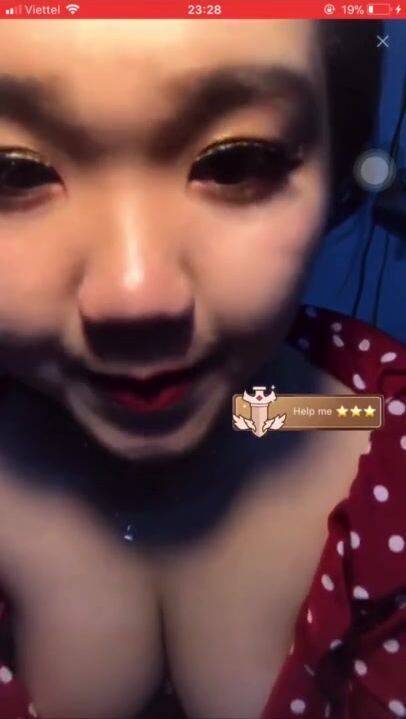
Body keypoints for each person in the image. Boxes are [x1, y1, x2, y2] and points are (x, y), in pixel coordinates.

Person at [0, 16, 404, 719]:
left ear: (336, 172)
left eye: (235, 164)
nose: (135, 295)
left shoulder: (379, 441)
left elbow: (342, 415)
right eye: (13, 173)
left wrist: (298, 422)